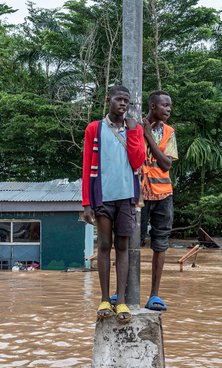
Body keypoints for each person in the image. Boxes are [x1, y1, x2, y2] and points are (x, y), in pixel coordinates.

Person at [82, 85, 145, 323]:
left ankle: (121, 302)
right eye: (119, 99)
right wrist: (86, 202)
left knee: (122, 246)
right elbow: (87, 165)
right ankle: (105, 299)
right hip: (102, 196)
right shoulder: (94, 129)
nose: (123, 104)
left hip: (127, 197)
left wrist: (132, 133)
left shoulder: (134, 129)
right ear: (108, 100)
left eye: (126, 101)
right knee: (104, 245)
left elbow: (138, 160)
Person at [140, 90, 177, 311]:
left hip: (163, 193)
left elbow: (166, 164)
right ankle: (123, 291)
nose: (168, 110)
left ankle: (154, 295)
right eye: (165, 106)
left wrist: (148, 136)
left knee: (160, 243)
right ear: (153, 106)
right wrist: (143, 132)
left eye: (169, 106)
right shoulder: (135, 127)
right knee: (131, 242)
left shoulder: (169, 132)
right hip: (140, 194)